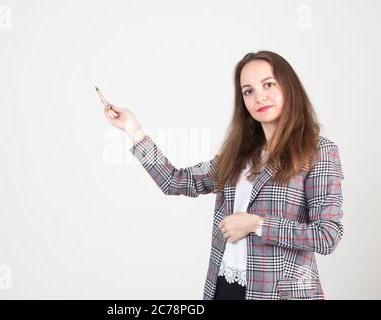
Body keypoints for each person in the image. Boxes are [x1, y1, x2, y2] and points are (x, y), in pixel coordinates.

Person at [101, 50, 345, 300]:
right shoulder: (240, 153)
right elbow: (175, 181)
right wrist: (133, 129)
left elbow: (327, 235)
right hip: (225, 287)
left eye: (268, 84)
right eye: (248, 91)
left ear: (289, 87)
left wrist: (257, 224)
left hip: (279, 293)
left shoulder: (318, 151)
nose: (259, 97)